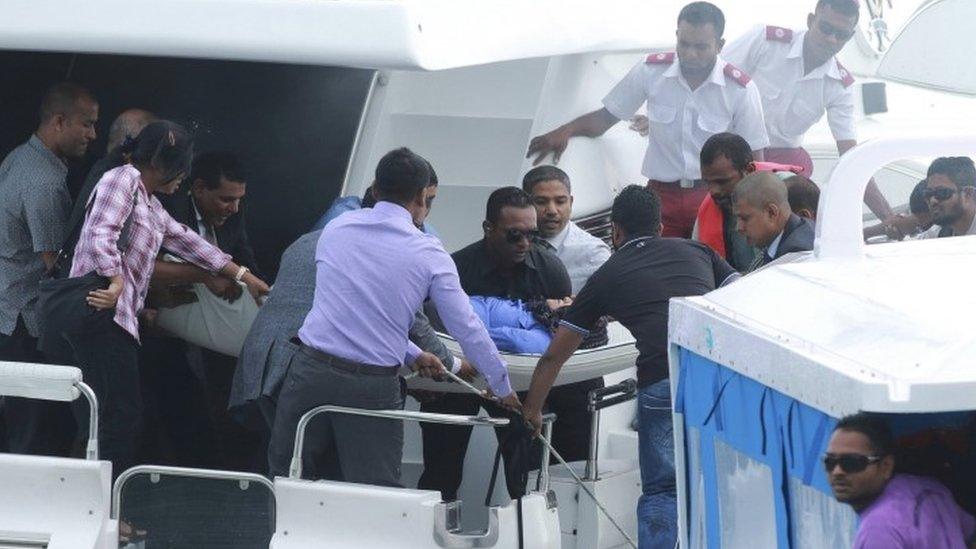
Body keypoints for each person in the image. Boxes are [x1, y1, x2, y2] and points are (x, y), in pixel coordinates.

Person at [267, 148, 517, 486]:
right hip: (370, 387)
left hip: (310, 372)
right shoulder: (429, 252)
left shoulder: (336, 230)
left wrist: (413, 353)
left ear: (375, 187)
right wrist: (501, 386)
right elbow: (467, 327)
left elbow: (353, 312)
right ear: (420, 197)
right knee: (376, 490)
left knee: (288, 479)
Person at [522, 185, 739, 549]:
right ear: (659, 227)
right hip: (714, 380)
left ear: (616, 232)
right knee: (720, 480)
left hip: (659, 384)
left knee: (662, 489)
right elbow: (745, 296)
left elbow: (554, 357)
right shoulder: (698, 251)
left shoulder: (607, 276)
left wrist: (532, 410)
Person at [65, 120, 267, 477]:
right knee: (113, 416)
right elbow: (100, 234)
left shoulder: (149, 201)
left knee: (118, 415)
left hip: (118, 320)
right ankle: (94, 504)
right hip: (97, 312)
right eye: (182, 170)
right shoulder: (122, 178)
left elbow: (185, 239)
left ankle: (103, 502)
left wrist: (243, 276)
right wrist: (115, 280)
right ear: (161, 164)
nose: (183, 179)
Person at [230, 175, 463, 435]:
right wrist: (455, 365)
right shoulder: (376, 250)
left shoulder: (309, 239)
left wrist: (414, 355)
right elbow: (411, 319)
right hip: (305, 366)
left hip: (263, 360)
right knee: (306, 461)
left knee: (283, 456)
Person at [526, 1, 768, 238]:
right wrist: (566, 130)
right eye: (683, 44)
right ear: (676, 35)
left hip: (714, 196)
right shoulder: (651, 71)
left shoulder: (740, 89)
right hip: (661, 198)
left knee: (710, 268)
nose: (690, 53)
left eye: (701, 47)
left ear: (720, 45)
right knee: (656, 267)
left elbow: (756, 161)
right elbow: (605, 118)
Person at [419, 186, 592, 501]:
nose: (525, 243)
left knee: (525, 474)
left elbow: (560, 342)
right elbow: (423, 327)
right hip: (462, 377)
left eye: (532, 235)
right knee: (441, 470)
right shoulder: (456, 269)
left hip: (522, 385)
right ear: (488, 228)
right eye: (514, 235)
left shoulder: (550, 270)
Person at [140, 151, 269, 471]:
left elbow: (245, 259)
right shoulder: (164, 211)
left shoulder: (233, 212)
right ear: (198, 188)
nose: (234, 208)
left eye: (239, 199)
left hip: (212, 333)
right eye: (226, 199)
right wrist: (205, 277)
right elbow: (139, 265)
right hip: (154, 325)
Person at [721, 0, 896, 225]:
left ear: (851, 37)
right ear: (810, 20)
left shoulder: (840, 86)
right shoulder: (765, 40)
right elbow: (717, 82)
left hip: (783, 163)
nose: (832, 39)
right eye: (826, 28)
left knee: (803, 222)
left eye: (841, 35)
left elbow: (850, 156)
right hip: (734, 152)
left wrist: (888, 217)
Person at [0, 82, 98, 456]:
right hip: (26, 321)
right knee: (33, 431)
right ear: (59, 121)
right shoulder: (43, 180)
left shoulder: (18, 156)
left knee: (19, 422)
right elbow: (54, 263)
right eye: (86, 124)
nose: (92, 134)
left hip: (8, 311)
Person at [825, 413, 976, 548]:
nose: (837, 472)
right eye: (830, 462)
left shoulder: (877, 530)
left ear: (886, 466)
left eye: (852, 462)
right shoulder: (931, 489)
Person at [522, 165, 611, 294]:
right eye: (541, 202)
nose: (552, 211)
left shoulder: (594, 254)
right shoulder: (509, 244)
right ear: (525, 203)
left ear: (571, 202)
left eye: (560, 202)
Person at [695, 133, 761, 272]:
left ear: (749, 170)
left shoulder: (786, 193)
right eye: (707, 182)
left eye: (722, 181)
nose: (713, 191)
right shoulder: (707, 209)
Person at [732, 172, 815, 271]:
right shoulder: (798, 235)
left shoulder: (796, 258)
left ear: (772, 213)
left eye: (745, 218)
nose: (739, 227)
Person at [918, 157, 976, 239]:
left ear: (967, 194)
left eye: (942, 193)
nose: (932, 201)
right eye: (928, 194)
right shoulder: (941, 232)